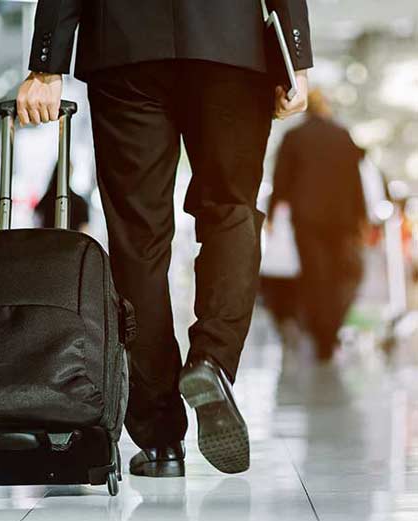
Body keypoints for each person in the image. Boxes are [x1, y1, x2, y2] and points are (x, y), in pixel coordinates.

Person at [16, 1, 312, 477]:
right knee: (230, 211)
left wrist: (46, 67)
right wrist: (295, 55)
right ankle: (212, 359)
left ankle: (159, 440)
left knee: (138, 238)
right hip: (231, 46)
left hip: (124, 49)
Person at [268, 89, 367, 362]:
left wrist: (273, 215)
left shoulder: (294, 138)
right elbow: (355, 181)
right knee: (337, 274)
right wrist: (361, 216)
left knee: (314, 275)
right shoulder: (343, 136)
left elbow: (281, 179)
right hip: (341, 219)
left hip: (307, 217)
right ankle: (331, 330)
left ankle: (319, 331)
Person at [35, 163, 90, 232]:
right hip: (71, 241)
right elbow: (84, 232)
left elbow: (38, 225)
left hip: (48, 240)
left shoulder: (46, 200)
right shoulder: (80, 203)